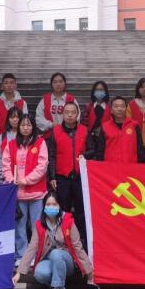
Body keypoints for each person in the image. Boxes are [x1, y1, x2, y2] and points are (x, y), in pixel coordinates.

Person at [12, 192, 93, 289]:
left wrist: (89, 270)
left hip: (67, 261)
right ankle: (57, 283)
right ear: (44, 207)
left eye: (54, 204)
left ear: (59, 206)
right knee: (39, 273)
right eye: (48, 204)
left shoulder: (68, 222)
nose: (51, 207)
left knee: (56, 253)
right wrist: (19, 272)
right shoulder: (39, 224)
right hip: (48, 259)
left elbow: (77, 246)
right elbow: (32, 248)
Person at [2, 114, 49, 262]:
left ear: (33, 127)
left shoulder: (40, 143)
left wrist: (26, 180)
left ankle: (37, 254)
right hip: (17, 193)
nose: (25, 128)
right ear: (18, 127)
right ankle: (22, 255)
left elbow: (42, 166)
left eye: (29, 125)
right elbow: (5, 165)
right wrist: (11, 180)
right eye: (23, 125)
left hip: (36, 192)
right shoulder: (11, 144)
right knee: (19, 226)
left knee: (36, 225)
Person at [47, 102, 95, 248]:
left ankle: (83, 241)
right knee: (63, 210)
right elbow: (51, 156)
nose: (69, 115)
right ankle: (62, 240)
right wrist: (52, 176)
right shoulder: (55, 131)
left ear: (77, 114)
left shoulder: (84, 130)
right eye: (67, 112)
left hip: (80, 177)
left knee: (81, 211)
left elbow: (93, 150)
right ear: (62, 114)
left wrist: (84, 155)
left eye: (73, 112)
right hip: (62, 177)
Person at [96, 96, 145, 164]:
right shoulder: (105, 126)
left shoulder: (134, 125)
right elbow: (100, 150)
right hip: (110, 166)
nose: (119, 109)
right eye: (116, 106)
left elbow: (140, 149)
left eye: (122, 106)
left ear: (126, 109)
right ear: (111, 110)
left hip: (131, 165)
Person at [0, 73, 28, 149]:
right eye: (6, 83)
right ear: (2, 86)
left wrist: (23, 140)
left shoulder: (22, 103)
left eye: (12, 83)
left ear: (16, 85)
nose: (9, 85)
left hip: (18, 140)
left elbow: (25, 122)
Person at [35, 72, 79, 139]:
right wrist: (51, 125)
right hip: (49, 135)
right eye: (55, 82)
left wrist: (66, 126)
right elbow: (38, 118)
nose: (58, 84)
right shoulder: (45, 100)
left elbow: (77, 116)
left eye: (61, 81)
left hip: (68, 135)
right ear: (51, 84)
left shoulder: (71, 99)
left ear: (65, 83)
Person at [0, 107, 21, 184]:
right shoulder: (3, 137)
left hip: (24, 178)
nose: (15, 120)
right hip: (6, 178)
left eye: (17, 117)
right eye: (12, 117)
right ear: (8, 120)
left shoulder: (27, 136)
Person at [81, 80, 111, 144]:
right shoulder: (88, 107)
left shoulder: (110, 108)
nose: (99, 92)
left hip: (106, 140)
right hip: (90, 140)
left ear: (105, 91)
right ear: (93, 92)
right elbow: (83, 124)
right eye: (97, 90)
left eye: (101, 90)